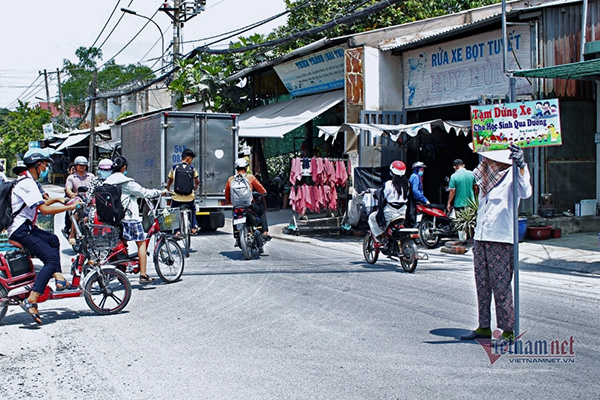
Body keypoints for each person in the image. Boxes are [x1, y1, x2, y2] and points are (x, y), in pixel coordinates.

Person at [460, 144, 532, 341]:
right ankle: (484, 326)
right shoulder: (485, 180)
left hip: (500, 238)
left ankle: (508, 329)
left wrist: (521, 166)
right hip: (481, 236)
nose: (483, 162)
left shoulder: (511, 175)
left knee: (501, 285)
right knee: (481, 284)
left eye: (487, 159)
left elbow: (526, 192)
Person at [9, 150, 81, 324]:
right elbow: (44, 210)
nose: (46, 168)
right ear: (37, 165)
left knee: (53, 240)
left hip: (25, 227)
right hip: (21, 230)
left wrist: (59, 201)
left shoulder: (28, 181)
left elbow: (41, 203)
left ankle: (58, 278)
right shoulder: (27, 183)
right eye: (45, 164)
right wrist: (69, 208)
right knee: (49, 258)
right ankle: (32, 299)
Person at [104, 156, 165, 284]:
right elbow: (144, 193)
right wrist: (160, 192)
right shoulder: (126, 182)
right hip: (129, 219)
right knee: (141, 243)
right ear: (124, 167)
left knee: (123, 242)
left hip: (114, 219)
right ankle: (143, 275)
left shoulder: (107, 182)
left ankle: (123, 267)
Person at [224, 158, 270, 243]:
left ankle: (236, 234)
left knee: (235, 215)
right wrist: (263, 193)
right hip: (249, 205)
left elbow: (227, 195)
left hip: (237, 206)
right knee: (262, 211)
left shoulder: (231, 179)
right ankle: (265, 232)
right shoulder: (250, 177)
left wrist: (231, 202)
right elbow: (262, 190)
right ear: (245, 167)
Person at [367, 160, 411, 245]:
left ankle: (382, 237)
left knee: (372, 217)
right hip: (403, 211)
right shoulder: (407, 184)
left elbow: (382, 195)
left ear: (392, 172)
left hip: (391, 211)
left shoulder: (389, 184)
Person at [166, 148, 200, 236]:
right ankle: (193, 227)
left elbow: (170, 180)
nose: (191, 161)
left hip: (177, 198)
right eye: (191, 159)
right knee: (193, 210)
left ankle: (177, 231)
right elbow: (197, 181)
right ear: (188, 158)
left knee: (174, 212)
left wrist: (168, 189)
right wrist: (195, 187)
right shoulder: (192, 168)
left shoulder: (175, 168)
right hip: (189, 198)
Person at [65, 156, 95, 245]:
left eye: (84, 165)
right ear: (76, 166)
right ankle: (72, 234)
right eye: (80, 165)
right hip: (78, 200)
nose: (82, 167)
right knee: (77, 214)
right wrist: (72, 194)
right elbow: (68, 189)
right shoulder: (71, 178)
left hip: (90, 200)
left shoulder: (91, 176)